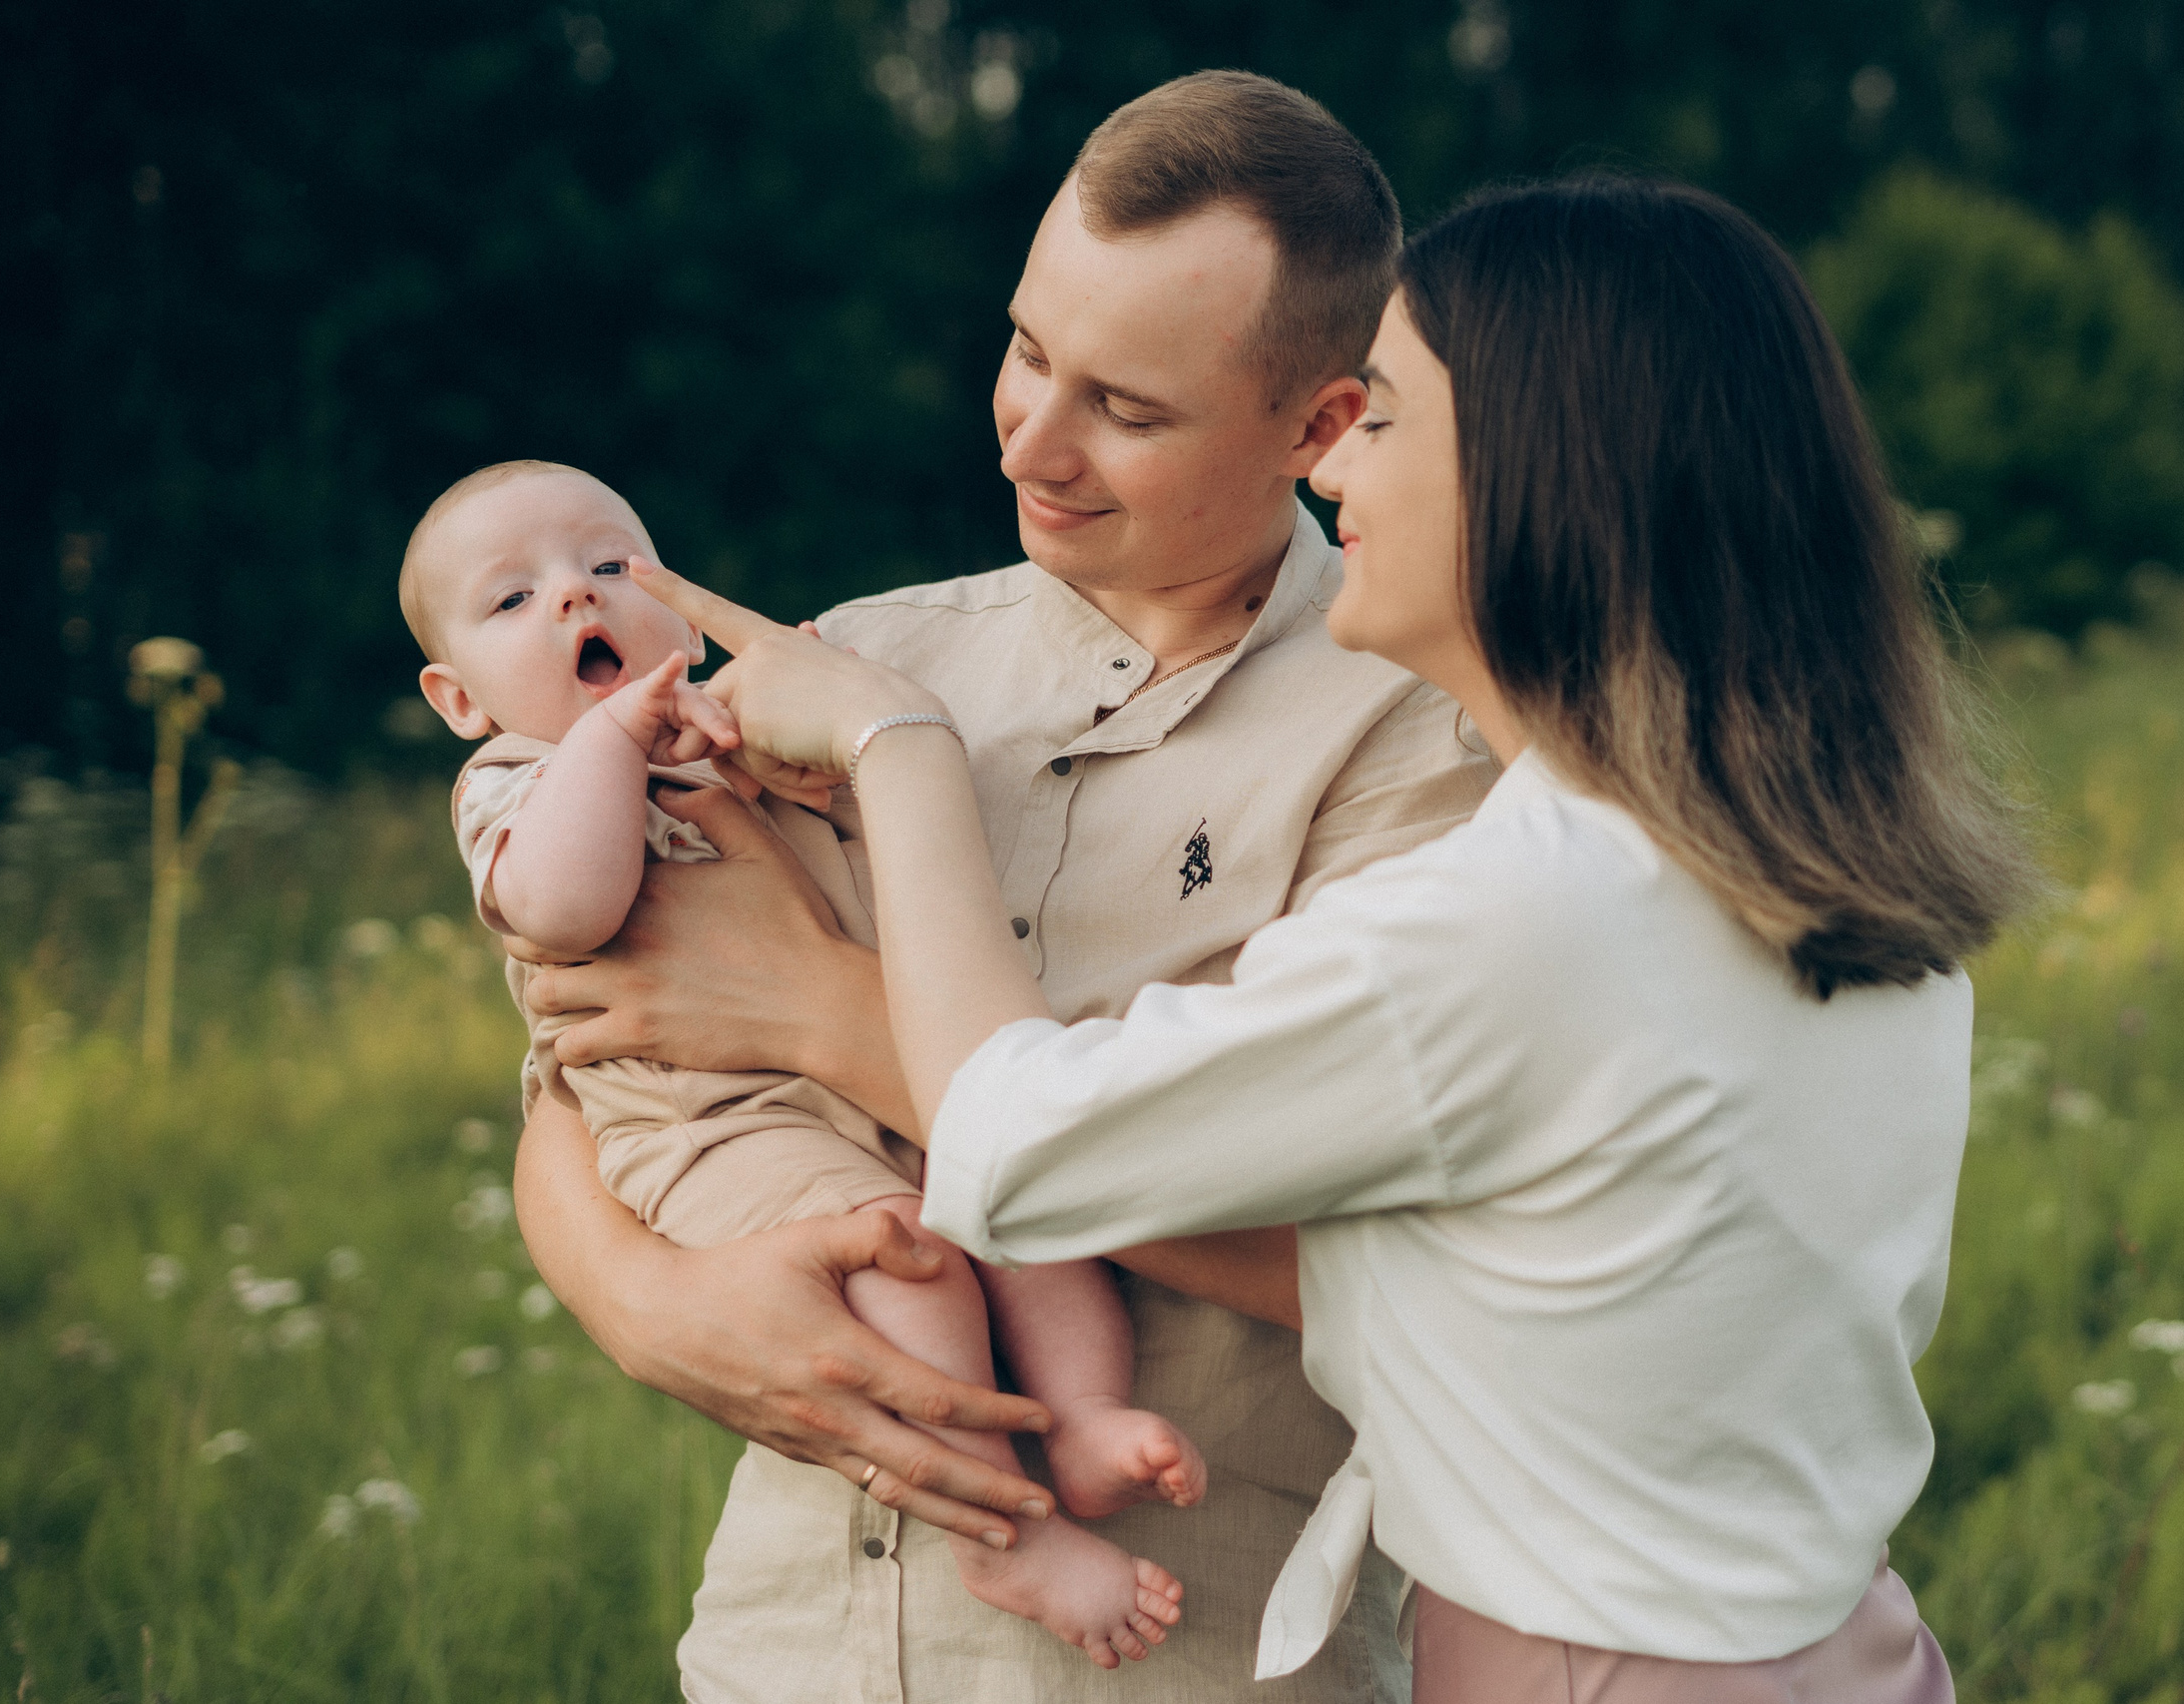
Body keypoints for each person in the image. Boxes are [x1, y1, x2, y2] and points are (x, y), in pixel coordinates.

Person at [623, 175, 2043, 1702]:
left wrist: (895, 748)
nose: (1336, 461)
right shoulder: (1806, 873)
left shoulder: (1520, 916)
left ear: (1539, 479)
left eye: (1387, 418)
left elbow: (1020, 1141)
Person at [508, 74, 1496, 1702]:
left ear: (1320, 428)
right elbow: (586, 1058)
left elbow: (1376, 1260)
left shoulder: (1425, 739)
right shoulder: (859, 653)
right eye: (1028, 349)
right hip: (787, 1640)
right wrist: (645, 1298)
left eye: (1129, 408)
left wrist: (825, 1016)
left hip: (1179, 1653)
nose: (1031, 440)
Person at [399, 460, 1203, 1667]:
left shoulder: (732, 731)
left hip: (881, 1080)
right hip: (715, 1126)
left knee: (1023, 1214)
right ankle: (1001, 1530)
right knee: (906, 1257)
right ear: (459, 699)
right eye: (513, 599)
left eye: (609, 565)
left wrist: (813, 760)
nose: (574, 597)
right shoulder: (515, 779)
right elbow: (565, 907)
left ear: (680, 614)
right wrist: (613, 739)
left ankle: (1084, 1418)